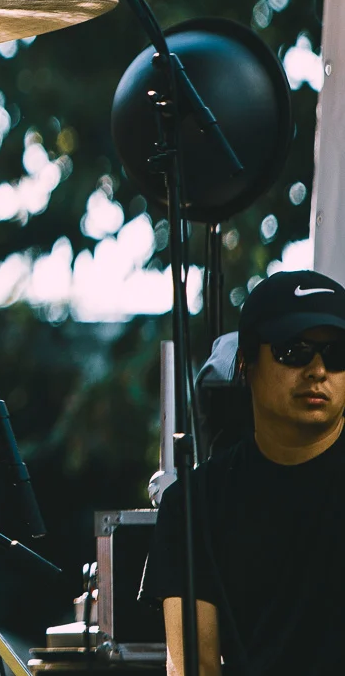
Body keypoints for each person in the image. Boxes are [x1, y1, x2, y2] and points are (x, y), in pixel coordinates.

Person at [145, 269, 345, 676]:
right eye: (294, 350)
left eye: (338, 353)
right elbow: (192, 666)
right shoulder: (193, 504)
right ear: (245, 362)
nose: (318, 369)